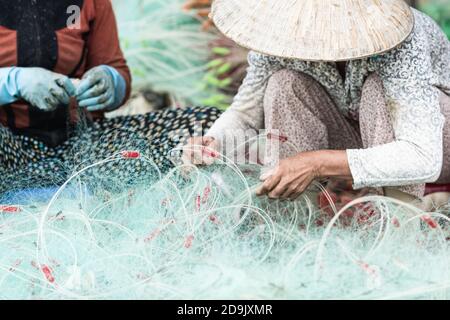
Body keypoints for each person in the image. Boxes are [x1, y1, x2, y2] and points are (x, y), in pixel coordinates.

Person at [183, 0, 450, 203]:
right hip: (357, 145)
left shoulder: (403, 37)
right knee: (284, 84)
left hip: (433, 149)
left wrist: (316, 162)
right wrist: (214, 142)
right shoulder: (283, 34)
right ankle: (296, 220)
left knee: (376, 91)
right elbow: (245, 111)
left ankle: (401, 227)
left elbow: (422, 156)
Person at [0, 0, 220, 194]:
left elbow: (116, 67)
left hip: (83, 147)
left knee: (208, 127)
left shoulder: (89, 3)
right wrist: (13, 81)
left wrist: (111, 81)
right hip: (9, 151)